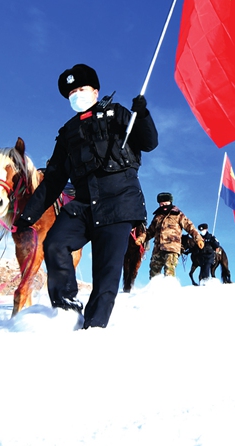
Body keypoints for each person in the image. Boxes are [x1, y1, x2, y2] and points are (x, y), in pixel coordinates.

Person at [14, 63, 157, 329]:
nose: (76, 95)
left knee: (105, 275)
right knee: (55, 243)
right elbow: (54, 180)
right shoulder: (67, 133)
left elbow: (149, 143)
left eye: (81, 89)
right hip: (83, 204)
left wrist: (143, 114)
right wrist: (27, 217)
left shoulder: (117, 114)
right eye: (71, 93)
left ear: (95, 90)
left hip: (120, 203)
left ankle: (93, 330)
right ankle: (67, 309)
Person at [145, 192, 203, 280]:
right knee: (154, 274)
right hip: (158, 249)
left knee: (169, 272)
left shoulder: (178, 215)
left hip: (172, 248)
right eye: (161, 203)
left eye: (165, 202)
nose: (163, 204)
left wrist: (198, 239)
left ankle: (169, 291)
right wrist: (140, 239)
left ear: (170, 202)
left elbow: (190, 226)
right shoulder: (157, 217)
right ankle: (154, 292)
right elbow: (149, 232)